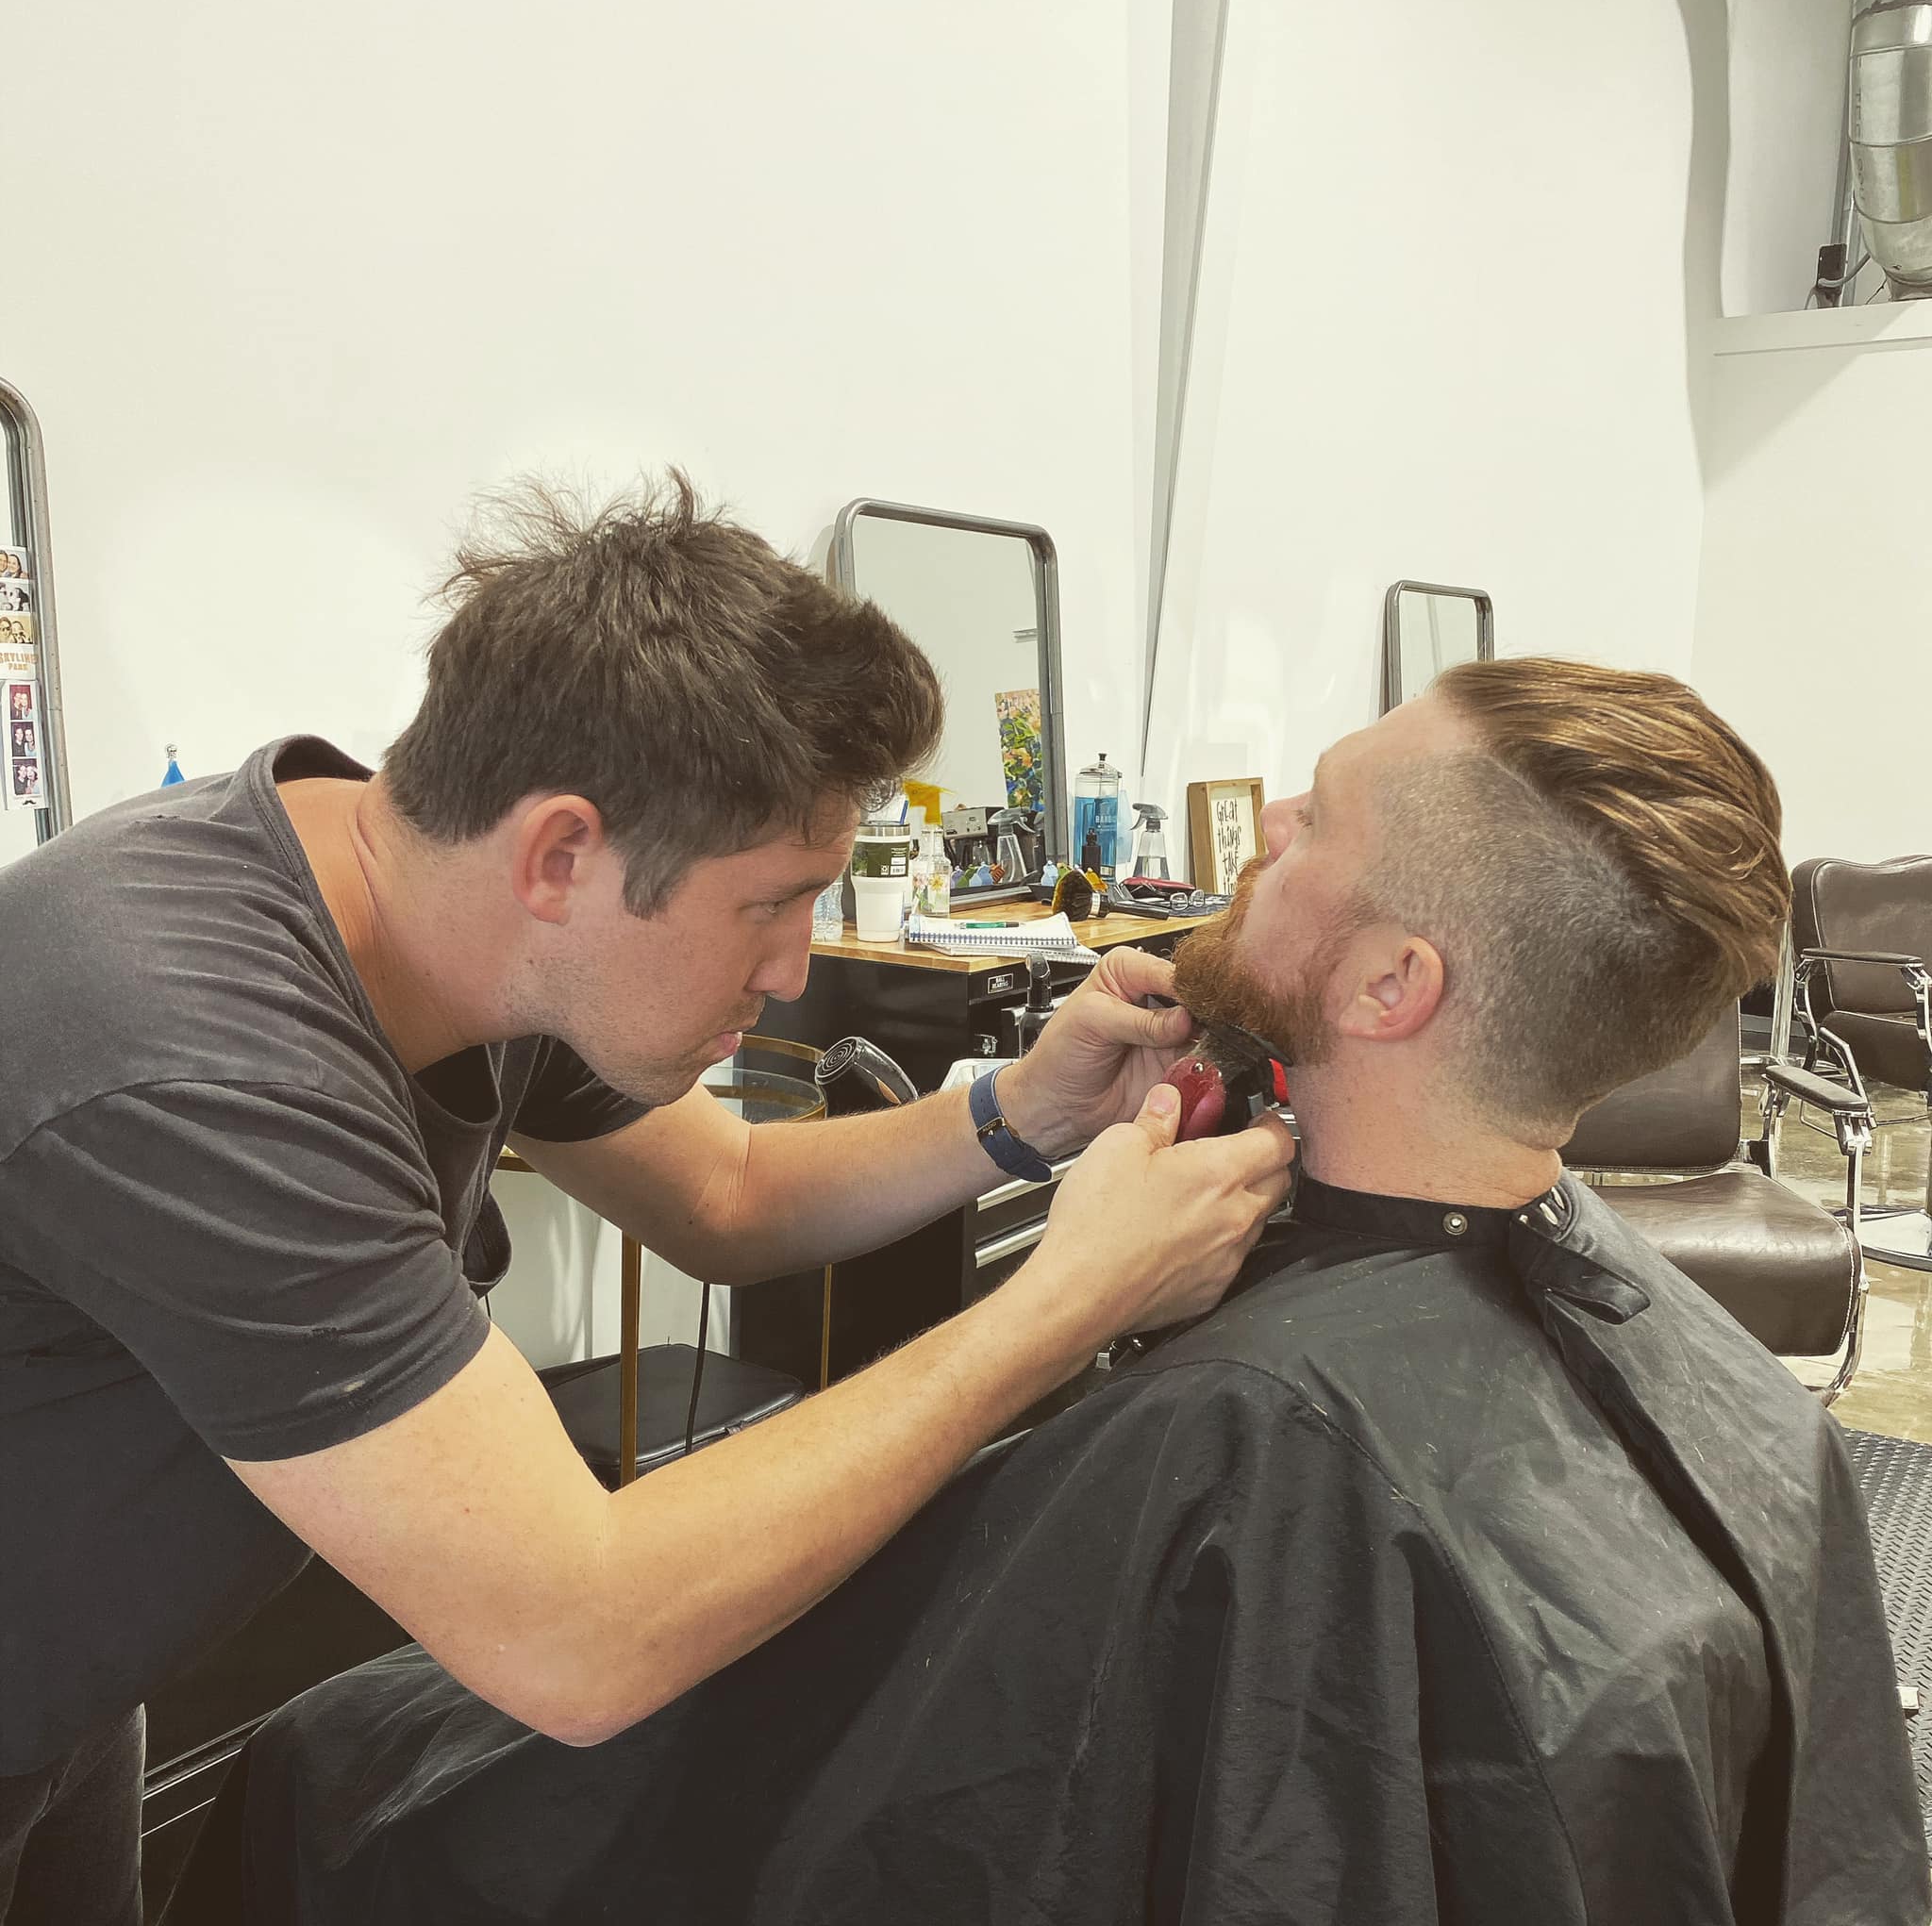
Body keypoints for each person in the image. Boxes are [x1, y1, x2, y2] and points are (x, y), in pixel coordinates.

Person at [204, 657, 1928, 1925]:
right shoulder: (1702, 1382)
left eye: (1312, 818)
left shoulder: (1268, 1424)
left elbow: (609, 1668)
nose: (1256, 839)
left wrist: (1060, 1303)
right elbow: (725, 1193)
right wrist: (1022, 1129)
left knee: (346, 1768)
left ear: (1394, 982)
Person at [0, 475, 1294, 1925]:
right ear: (563, 853)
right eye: (773, 903)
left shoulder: (455, 919)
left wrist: (1020, 1115)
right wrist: (1072, 1300)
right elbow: (581, 1633)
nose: (799, 966)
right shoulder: (196, 1065)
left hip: (74, 1686)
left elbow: (727, 1193)